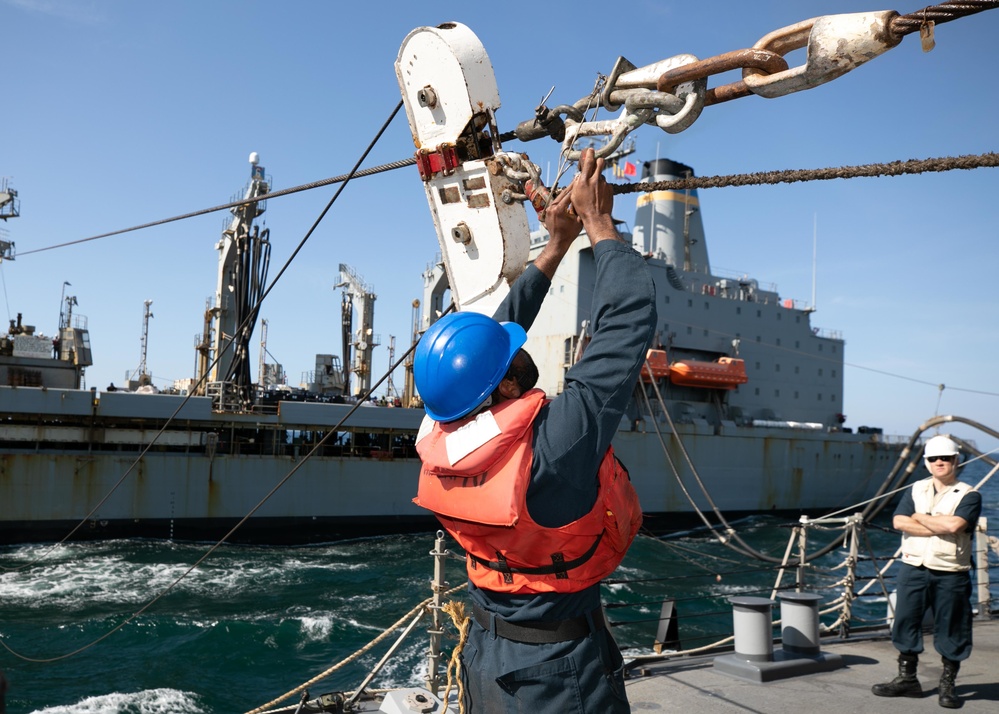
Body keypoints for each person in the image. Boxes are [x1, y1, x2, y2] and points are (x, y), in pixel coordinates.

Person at [412, 147, 656, 713]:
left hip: (486, 660)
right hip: (559, 680)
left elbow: (485, 345)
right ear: (499, 389)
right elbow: (630, 318)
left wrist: (556, 245)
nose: (516, 346)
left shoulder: (441, 433)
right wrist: (599, 223)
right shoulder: (555, 446)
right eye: (507, 361)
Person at [872, 434, 982, 708]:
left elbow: (955, 526)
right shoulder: (915, 490)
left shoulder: (969, 494)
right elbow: (899, 521)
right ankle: (907, 680)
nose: (940, 462)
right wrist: (934, 522)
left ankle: (948, 685)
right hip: (913, 566)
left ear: (957, 460)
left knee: (952, 626)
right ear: (927, 463)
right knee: (905, 621)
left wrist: (919, 517)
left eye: (945, 457)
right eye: (934, 458)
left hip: (950, 571)